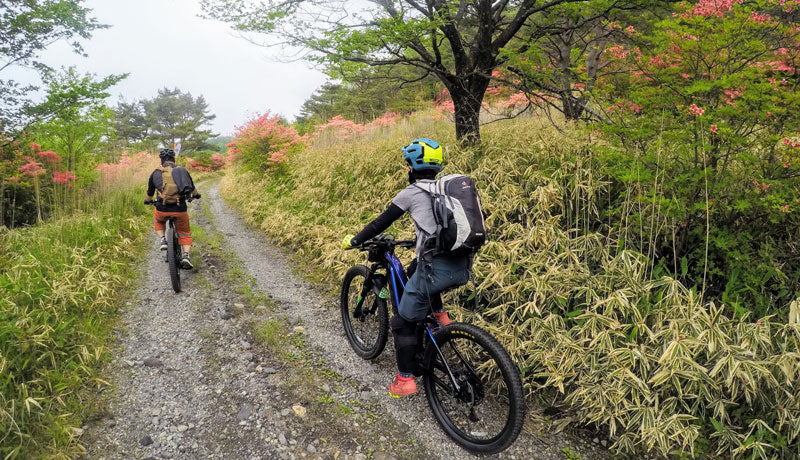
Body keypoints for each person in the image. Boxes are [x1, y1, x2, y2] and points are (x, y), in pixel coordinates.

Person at [342, 138, 471, 398]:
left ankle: (405, 380)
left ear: (411, 166)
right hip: (462, 264)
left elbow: (381, 223)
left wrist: (355, 240)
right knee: (414, 271)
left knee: (402, 321)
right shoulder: (446, 189)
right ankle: (440, 317)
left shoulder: (411, 192)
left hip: (435, 267)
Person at [144, 148, 201, 269]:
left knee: (158, 220)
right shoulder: (181, 171)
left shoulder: (156, 173)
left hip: (162, 209)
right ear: (173, 159)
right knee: (184, 232)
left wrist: (147, 201)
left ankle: (163, 240)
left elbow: (150, 193)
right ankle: (186, 256)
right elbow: (192, 188)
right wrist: (196, 195)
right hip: (180, 210)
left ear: (161, 160)